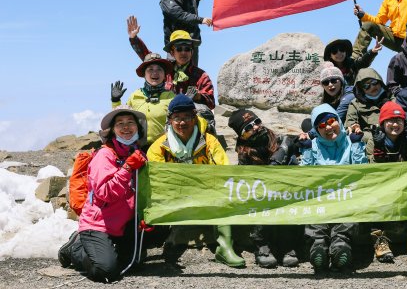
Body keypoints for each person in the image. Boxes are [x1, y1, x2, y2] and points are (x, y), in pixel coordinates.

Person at [146, 94, 245, 268]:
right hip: (174, 192)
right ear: (170, 120)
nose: (182, 123)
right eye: (177, 118)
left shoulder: (209, 141)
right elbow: (157, 177)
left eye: (187, 117)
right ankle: (167, 243)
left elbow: (223, 170)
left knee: (223, 195)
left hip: (207, 191)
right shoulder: (159, 146)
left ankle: (225, 248)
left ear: (194, 117)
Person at [58, 106, 148, 282]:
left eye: (131, 123)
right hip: (97, 224)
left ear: (138, 127)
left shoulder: (137, 154)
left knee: (135, 263)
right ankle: (74, 249)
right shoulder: (104, 155)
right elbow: (104, 192)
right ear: (112, 131)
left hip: (123, 224)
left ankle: (106, 249)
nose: (126, 127)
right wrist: (128, 167)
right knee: (106, 271)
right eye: (120, 124)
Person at [227, 109, 302, 268]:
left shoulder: (281, 141)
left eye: (257, 122)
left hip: (285, 195)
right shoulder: (244, 154)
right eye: (247, 128)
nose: (255, 127)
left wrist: (286, 150)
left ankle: (288, 246)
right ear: (241, 136)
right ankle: (262, 246)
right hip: (262, 198)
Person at [298, 104, 368, 272]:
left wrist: (357, 145)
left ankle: (340, 249)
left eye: (331, 121)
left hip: (347, 196)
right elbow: (305, 176)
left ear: (338, 121)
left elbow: (362, 171)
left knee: (347, 222)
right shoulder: (313, 145)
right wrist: (306, 150)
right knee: (315, 221)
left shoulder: (350, 141)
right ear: (316, 129)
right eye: (322, 125)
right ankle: (318, 249)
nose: (328, 127)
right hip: (320, 197)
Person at [127, 16, 216, 131]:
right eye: (179, 49)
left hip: (190, 125)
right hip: (166, 124)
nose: (183, 52)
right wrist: (134, 38)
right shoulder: (164, 70)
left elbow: (211, 103)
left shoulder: (201, 76)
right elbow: (148, 58)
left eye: (187, 49)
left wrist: (197, 96)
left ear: (192, 51)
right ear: (172, 52)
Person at [369, 101, 407, 263]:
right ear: (383, 123)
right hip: (382, 186)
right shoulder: (374, 140)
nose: (395, 124)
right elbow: (371, 170)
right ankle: (380, 239)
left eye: (399, 120)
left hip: (405, 186)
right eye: (390, 121)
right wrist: (379, 151)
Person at [110, 53, 174, 146]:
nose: (155, 73)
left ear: (164, 75)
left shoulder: (171, 96)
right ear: (144, 74)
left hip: (163, 148)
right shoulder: (135, 96)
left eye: (159, 69)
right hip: (137, 148)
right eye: (150, 69)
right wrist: (116, 100)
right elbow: (121, 117)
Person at [160, 0, 218, 66]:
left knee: (193, 78)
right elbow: (180, 15)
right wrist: (201, 20)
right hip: (175, 46)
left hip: (191, 46)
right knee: (174, 78)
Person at [344, 68, 394, 158]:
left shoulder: (393, 99)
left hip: (394, 139)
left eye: (374, 82)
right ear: (361, 89)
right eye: (366, 86)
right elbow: (348, 128)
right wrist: (357, 130)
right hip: (368, 146)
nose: (372, 87)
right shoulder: (355, 104)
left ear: (380, 81)